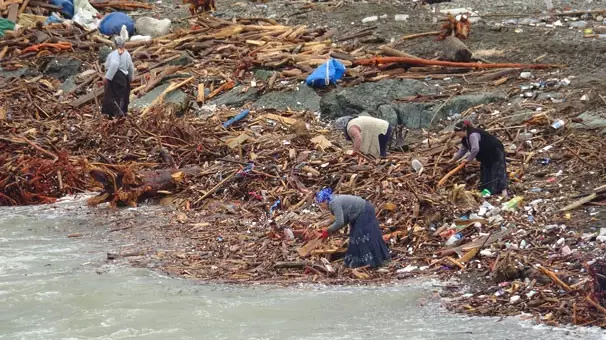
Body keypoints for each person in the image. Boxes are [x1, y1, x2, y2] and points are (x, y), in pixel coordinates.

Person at [315, 188, 390, 268]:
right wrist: (330, 230)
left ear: (324, 201)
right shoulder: (334, 201)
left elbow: (339, 222)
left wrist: (327, 230)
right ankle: (364, 261)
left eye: (320, 204)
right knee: (355, 236)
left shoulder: (334, 203)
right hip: (361, 212)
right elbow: (345, 220)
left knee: (362, 237)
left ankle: (371, 262)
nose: (321, 207)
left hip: (364, 212)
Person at [449, 120, 508, 197]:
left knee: (498, 170)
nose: (457, 135)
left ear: (463, 130)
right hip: (485, 155)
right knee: (486, 171)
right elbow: (462, 151)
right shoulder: (465, 139)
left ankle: (504, 191)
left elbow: (475, 149)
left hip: (495, 150)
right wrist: (453, 160)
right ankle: (488, 190)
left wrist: (468, 160)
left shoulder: (473, 135)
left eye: (457, 132)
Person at [102, 37, 135, 118]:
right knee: (123, 95)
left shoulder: (115, 54)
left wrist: (107, 77)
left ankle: (113, 114)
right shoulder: (127, 54)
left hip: (115, 76)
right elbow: (131, 67)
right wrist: (130, 78)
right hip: (124, 77)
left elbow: (114, 64)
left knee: (113, 95)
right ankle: (122, 113)